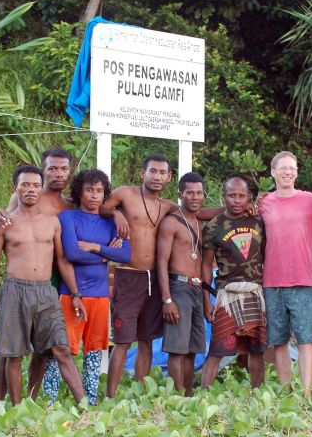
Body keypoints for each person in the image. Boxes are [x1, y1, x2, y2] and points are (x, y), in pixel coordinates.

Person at [99, 154, 225, 397]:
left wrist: (233, 207)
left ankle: (140, 391)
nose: (157, 176)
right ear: (142, 173)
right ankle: (110, 396)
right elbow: (103, 207)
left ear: (169, 178)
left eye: (162, 173)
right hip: (129, 274)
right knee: (124, 340)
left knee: (147, 340)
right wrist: (117, 214)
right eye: (153, 171)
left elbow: (198, 212)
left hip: (155, 278)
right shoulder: (126, 194)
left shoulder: (169, 207)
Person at [0, 165, 86, 405]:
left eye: (35, 185)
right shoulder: (5, 223)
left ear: (41, 189)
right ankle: (17, 409)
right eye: (25, 185)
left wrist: (75, 293)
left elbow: (62, 259)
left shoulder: (53, 223)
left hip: (45, 291)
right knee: (13, 355)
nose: (31, 189)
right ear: (16, 189)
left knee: (60, 348)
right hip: (15, 290)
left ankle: (85, 406)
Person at [0, 148, 75, 405]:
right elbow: (8, 222)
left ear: (70, 172)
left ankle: (31, 396)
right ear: (44, 170)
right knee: (11, 349)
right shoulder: (25, 195)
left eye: (63, 169)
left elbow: (96, 211)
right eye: (52, 168)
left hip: (52, 280)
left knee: (44, 347)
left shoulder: (70, 204)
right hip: (22, 279)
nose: (58, 174)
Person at [42, 169, 131, 405]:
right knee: (61, 349)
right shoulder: (68, 218)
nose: (94, 195)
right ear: (79, 191)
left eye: (99, 191)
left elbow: (125, 254)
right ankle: (48, 400)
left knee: (93, 352)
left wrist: (95, 248)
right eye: (89, 190)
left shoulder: (111, 221)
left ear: (105, 194)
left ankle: (89, 400)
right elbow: (70, 253)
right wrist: (105, 256)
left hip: (100, 296)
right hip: (70, 294)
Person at [260, 151, 312, 398]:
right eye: (283, 168)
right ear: (273, 172)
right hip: (273, 281)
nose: (288, 172)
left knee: (305, 339)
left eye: (292, 168)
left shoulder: (310, 200)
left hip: (304, 280)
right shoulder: (264, 203)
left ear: (297, 172)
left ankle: (307, 392)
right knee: (278, 341)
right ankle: (286, 391)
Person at [200, 176, 266, 389]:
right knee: (218, 347)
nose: (237, 200)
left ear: (249, 197)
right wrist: (206, 300)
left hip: (254, 292)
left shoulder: (258, 222)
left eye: (241, 196)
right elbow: (206, 265)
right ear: (223, 196)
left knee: (256, 348)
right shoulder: (213, 226)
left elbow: (266, 256)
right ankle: (204, 395)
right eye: (232, 195)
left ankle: (255, 394)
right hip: (226, 294)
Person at [156, 172, 207, 396]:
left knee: (192, 348)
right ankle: (177, 397)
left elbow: (227, 209)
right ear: (180, 194)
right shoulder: (171, 222)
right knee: (177, 349)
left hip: (197, 288)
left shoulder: (200, 220)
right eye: (189, 193)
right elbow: (161, 261)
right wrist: (167, 299)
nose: (194, 197)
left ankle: (188, 394)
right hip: (178, 287)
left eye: (198, 193)